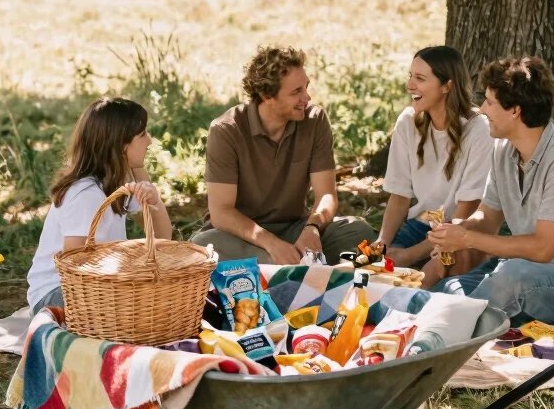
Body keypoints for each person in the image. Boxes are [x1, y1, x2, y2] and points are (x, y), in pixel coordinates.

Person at [428, 57, 554, 325]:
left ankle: (446, 331)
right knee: (447, 293)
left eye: (489, 102)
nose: (481, 109)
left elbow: (542, 249)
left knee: (508, 279)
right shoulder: (504, 150)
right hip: (521, 270)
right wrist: (454, 230)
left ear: (514, 110)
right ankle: (428, 321)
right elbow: (488, 218)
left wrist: (466, 238)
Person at [190, 45, 376, 264]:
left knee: (358, 231)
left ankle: (290, 269)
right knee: (205, 246)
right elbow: (221, 213)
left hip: (295, 230)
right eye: (296, 92)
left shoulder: (314, 120)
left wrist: (313, 228)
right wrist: (270, 243)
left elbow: (326, 195)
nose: (306, 97)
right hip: (240, 237)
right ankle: (300, 268)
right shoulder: (226, 130)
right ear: (267, 95)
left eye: (306, 87)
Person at [26, 97, 172, 315]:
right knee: (145, 309)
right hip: (58, 293)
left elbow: (163, 238)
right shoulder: (86, 195)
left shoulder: (115, 180)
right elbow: (73, 268)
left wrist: (153, 198)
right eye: (142, 135)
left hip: (96, 283)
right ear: (121, 145)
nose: (149, 141)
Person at [378, 46, 493, 285]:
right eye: (410, 76)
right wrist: (382, 246)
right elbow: (399, 196)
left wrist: (410, 255)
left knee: (421, 288)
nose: (410, 85)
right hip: (418, 227)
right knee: (375, 277)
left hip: (458, 233)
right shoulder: (408, 122)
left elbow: (467, 211)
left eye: (420, 79)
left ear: (447, 86)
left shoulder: (478, 129)